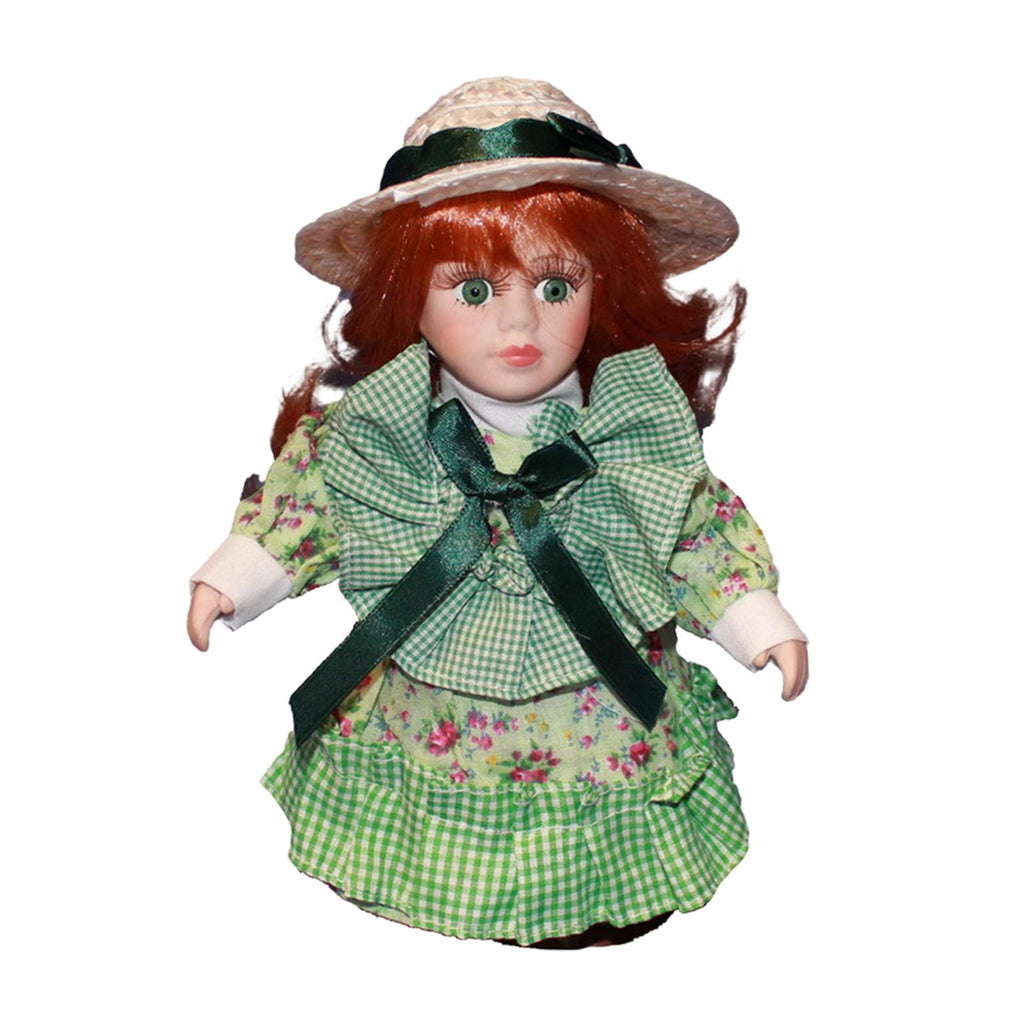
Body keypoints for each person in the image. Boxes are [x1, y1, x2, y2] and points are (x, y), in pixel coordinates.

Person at [188, 78, 808, 948]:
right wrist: (235, 578)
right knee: (430, 796)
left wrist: (756, 620)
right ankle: (429, 878)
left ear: (604, 288)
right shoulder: (385, 434)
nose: (520, 322)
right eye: (474, 291)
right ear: (409, 296)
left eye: (556, 286)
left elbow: (691, 534)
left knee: (600, 792)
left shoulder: (627, 435)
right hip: (434, 712)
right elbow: (312, 506)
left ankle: (593, 889)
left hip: (597, 728)